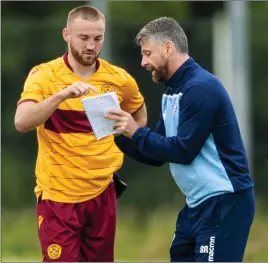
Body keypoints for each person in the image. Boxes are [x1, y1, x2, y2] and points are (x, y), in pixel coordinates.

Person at [105, 17, 255, 262]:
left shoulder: (201, 88)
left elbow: (184, 150)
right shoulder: (173, 92)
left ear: (168, 48)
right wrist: (115, 135)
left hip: (225, 201)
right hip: (197, 204)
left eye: (147, 53)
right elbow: (157, 153)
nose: (143, 62)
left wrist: (135, 131)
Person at [14, 5, 147, 262]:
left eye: (98, 38)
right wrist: (62, 95)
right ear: (67, 34)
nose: (91, 45)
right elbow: (22, 122)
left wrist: (126, 130)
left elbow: (139, 117)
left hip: (102, 193)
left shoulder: (119, 79)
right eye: (83, 38)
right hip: (58, 196)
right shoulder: (44, 75)